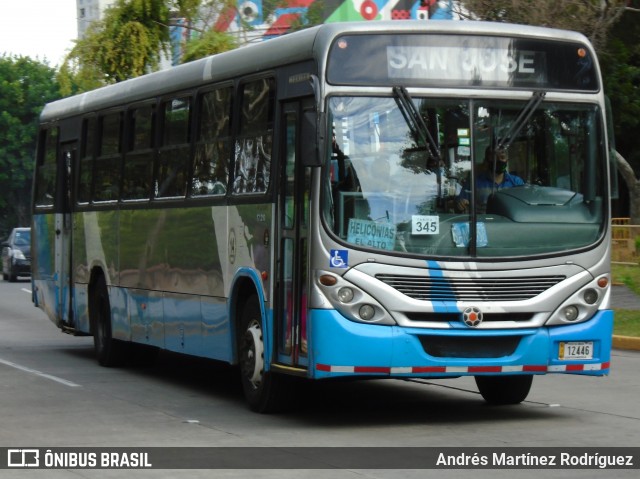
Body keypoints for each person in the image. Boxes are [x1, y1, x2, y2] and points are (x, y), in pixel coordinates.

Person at [457, 147, 524, 213]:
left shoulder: (516, 182)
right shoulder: (473, 183)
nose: (499, 160)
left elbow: (524, 206)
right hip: (483, 222)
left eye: (502, 157)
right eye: (494, 158)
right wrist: (461, 203)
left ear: (507, 160)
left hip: (509, 223)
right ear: (487, 160)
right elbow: (460, 203)